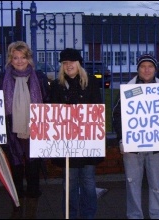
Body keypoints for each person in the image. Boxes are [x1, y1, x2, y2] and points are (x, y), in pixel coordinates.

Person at [112, 54, 159, 219]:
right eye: (143, 66)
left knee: (156, 185)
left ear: (155, 69)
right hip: (132, 147)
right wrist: (122, 139)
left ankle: (158, 215)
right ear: (138, 69)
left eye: (150, 66)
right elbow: (117, 115)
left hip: (156, 147)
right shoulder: (129, 90)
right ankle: (134, 216)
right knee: (132, 184)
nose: (146, 70)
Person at [49, 48, 104, 219]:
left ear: (79, 64)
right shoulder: (57, 86)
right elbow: (52, 112)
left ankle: (88, 216)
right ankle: (70, 215)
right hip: (66, 145)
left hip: (87, 144)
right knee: (70, 183)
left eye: (72, 62)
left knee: (88, 182)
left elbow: (97, 111)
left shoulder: (91, 83)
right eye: (65, 63)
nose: (68, 65)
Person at [0, 41, 44, 219]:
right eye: (15, 58)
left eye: (23, 57)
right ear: (10, 59)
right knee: (15, 169)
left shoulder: (39, 77)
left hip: (35, 129)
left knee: (33, 169)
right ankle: (16, 205)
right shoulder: (2, 78)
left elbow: (46, 101)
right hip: (11, 130)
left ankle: (32, 210)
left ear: (29, 58)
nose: (20, 61)